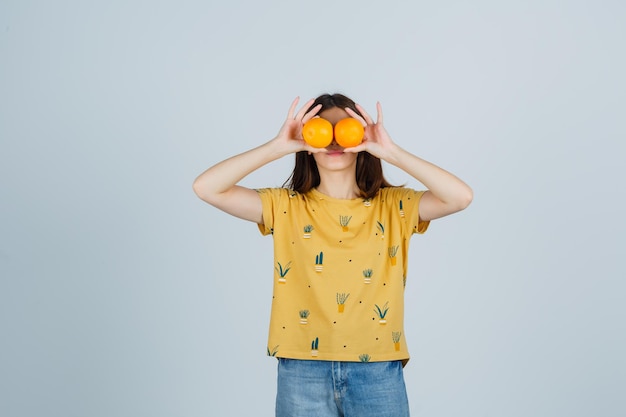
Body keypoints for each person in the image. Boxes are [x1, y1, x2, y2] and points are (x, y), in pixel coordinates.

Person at [193, 93, 473, 417]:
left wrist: (392, 152)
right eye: (323, 129)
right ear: (308, 141)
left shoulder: (394, 206)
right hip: (302, 370)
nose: (335, 137)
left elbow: (461, 197)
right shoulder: (285, 207)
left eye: (345, 128)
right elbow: (206, 187)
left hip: (377, 368)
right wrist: (277, 146)